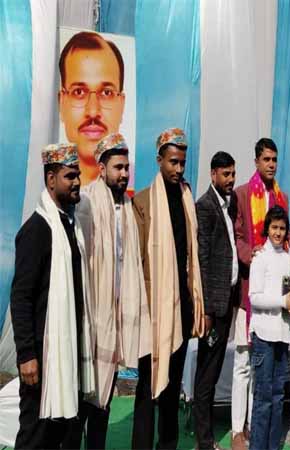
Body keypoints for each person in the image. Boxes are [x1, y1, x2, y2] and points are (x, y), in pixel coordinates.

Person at [11, 143, 95, 449]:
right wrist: (26, 355)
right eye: (69, 176)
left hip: (66, 353)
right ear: (50, 180)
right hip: (42, 357)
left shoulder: (71, 227)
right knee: (35, 436)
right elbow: (21, 297)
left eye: (78, 175)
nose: (77, 182)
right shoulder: (37, 229)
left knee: (60, 435)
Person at [131, 128, 205, 450]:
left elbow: (192, 255)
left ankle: (168, 445)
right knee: (148, 389)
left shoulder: (187, 198)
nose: (178, 169)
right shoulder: (142, 202)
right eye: (173, 162)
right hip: (153, 311)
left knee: (173, 388)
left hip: (182, 308)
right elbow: (136, 264)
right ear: (159, 160)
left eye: (182, 163)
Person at [74, 134, 148, 449]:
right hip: (92, 317)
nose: (124, 174)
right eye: (118, 168)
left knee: (103, 402)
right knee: (82, 400)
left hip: (115, 318)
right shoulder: (86, 203)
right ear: (102, 168)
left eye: (127, 168)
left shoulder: (128, 207)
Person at [232, 138, 289, 449]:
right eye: (266, 159)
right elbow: (238, 236)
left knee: (266, 379)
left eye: (274, 159)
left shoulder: (282, 197)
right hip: (249, 289)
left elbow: (285, 240)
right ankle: (238, 430)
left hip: (276, 297)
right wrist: (250, 254)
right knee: (243, 363)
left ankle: (260, 431)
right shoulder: (242, 194)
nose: (271, 164)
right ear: (256, 161)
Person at [193, 151, 239, 450]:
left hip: (228, 301)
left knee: (214, 368)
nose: (231, 179)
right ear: (213, 174)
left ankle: (205, 436)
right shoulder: (205, 206)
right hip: (214, 307)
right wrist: (207, 310)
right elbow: (204, 261)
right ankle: (204, 440)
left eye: (233, 174)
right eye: (226, 174)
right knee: (207, 375)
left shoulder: (229, 204)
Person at [248, 206, 290, 450]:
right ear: (267, 229)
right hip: (263, 336)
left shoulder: (288, 260)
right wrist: (282, 302)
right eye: (274, 227)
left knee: (278, 396)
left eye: (282, 228)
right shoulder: (260, 258)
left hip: (282, 336)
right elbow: (254, 297)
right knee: (263, 397)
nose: (278, 233)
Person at [58, 31, 126, 185]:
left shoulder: (134, 195)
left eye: (107, 93)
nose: (93, 111)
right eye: (79, 92)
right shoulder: (46, 191)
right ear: (61, 103)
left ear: (122, 105)